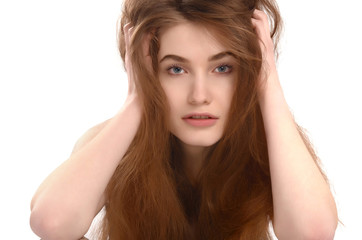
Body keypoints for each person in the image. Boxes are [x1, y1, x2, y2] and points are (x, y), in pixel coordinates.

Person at [30, 0, 338, 239]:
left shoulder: (272, 141)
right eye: (176, 69)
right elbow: (51, 224)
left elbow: (312, 233)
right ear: (148, 70)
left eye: (223, 68)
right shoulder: (115, 141)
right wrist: (138, 100)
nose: (199, 96)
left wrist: (268, 86)